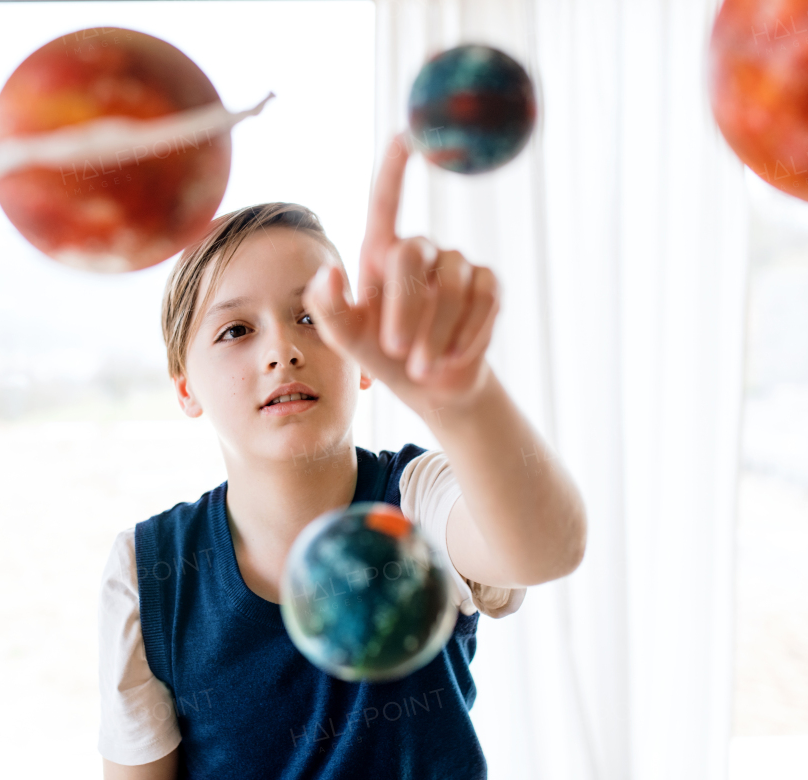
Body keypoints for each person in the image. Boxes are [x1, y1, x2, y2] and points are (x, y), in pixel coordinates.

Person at [97, 133, 587, 779]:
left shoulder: (419, 499)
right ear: (185, 387)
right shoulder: (147, 572)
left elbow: (546, 548)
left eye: (311, 316)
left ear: (360, 358)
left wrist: (462, 397)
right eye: (236, 330)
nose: (282, 351)